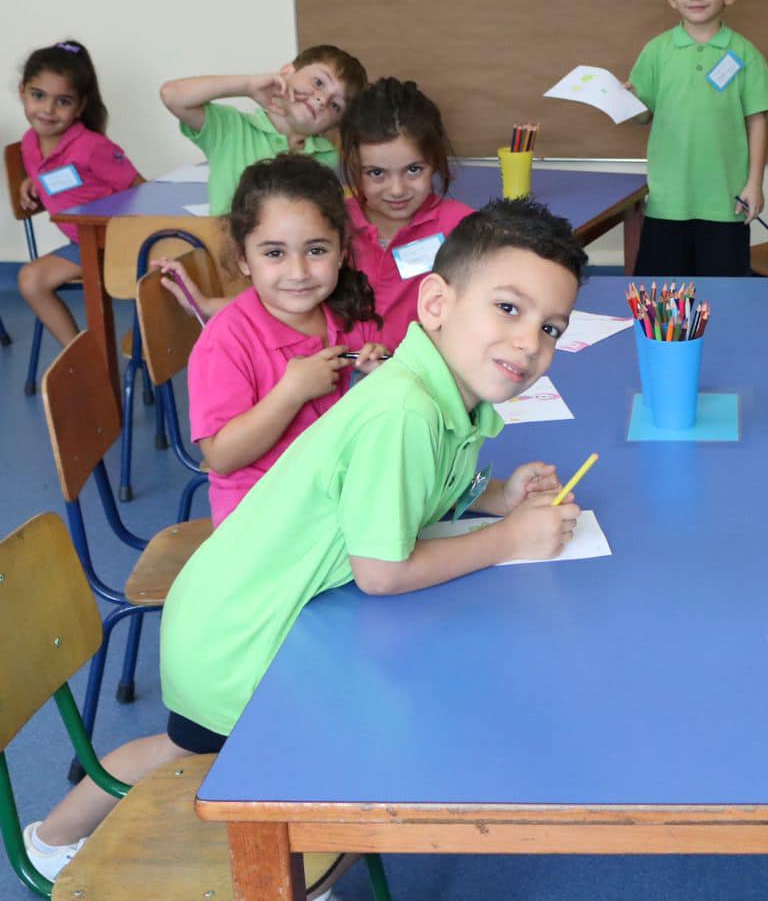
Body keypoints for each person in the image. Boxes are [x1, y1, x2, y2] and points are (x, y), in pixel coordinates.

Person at [22, 198, 588, 881]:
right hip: (240, 642)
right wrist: (510, 539)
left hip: (266, 613)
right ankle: (53, 839)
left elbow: (421, 492)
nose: (529, 343)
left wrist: (496, 496)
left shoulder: (442, 393)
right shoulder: (406, 410)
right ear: (437, 302)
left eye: (550, 327)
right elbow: (382, 570)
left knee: (239, 746)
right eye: (508, 308)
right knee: (188, 754)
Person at [184, 154, 387, 526]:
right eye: (275, 253)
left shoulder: (350, 317)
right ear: (243, 258)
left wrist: (381, 378)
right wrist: (291, 393)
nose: (298, 272)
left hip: (337, 497)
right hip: (263, 519)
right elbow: (222, 457)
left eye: (316, 250)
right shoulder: (226, 340)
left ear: (341, 252)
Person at [627, 0, 768, 276]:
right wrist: (627, 101)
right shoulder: (656, 51)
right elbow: (643, 115)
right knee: (663, 295)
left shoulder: (745, 53)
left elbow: (757, 120)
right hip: (668, 201)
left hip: (726, 201)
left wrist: (754, 183)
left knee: (724, 293)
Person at [14, 40, 142, 348]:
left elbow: (140, 187)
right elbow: (51, 171)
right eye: (38, 95)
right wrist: (32, 181)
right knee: (30, 280)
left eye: (63, 101)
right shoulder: (29, 143)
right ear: (22, 92)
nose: (47, 110)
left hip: (115, 241)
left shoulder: (92, 147)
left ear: (80, 106)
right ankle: (81, 355)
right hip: (82, 244)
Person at [338, 76, 474, 349]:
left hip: (424, 369)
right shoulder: (333, 224)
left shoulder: (463, 227)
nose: (397, 190)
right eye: (376, 173)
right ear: (354, 166)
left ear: (434, 160)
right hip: (343, 367)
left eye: (413, 170)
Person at [159, 43, 367, 214]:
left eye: (335, 105)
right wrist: (248, 85)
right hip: (227, 248)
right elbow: (172, 95)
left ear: (332, 125)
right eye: (318, 82)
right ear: (287, 72)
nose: (322, 100)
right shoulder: (231, 127)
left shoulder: (327, 156)